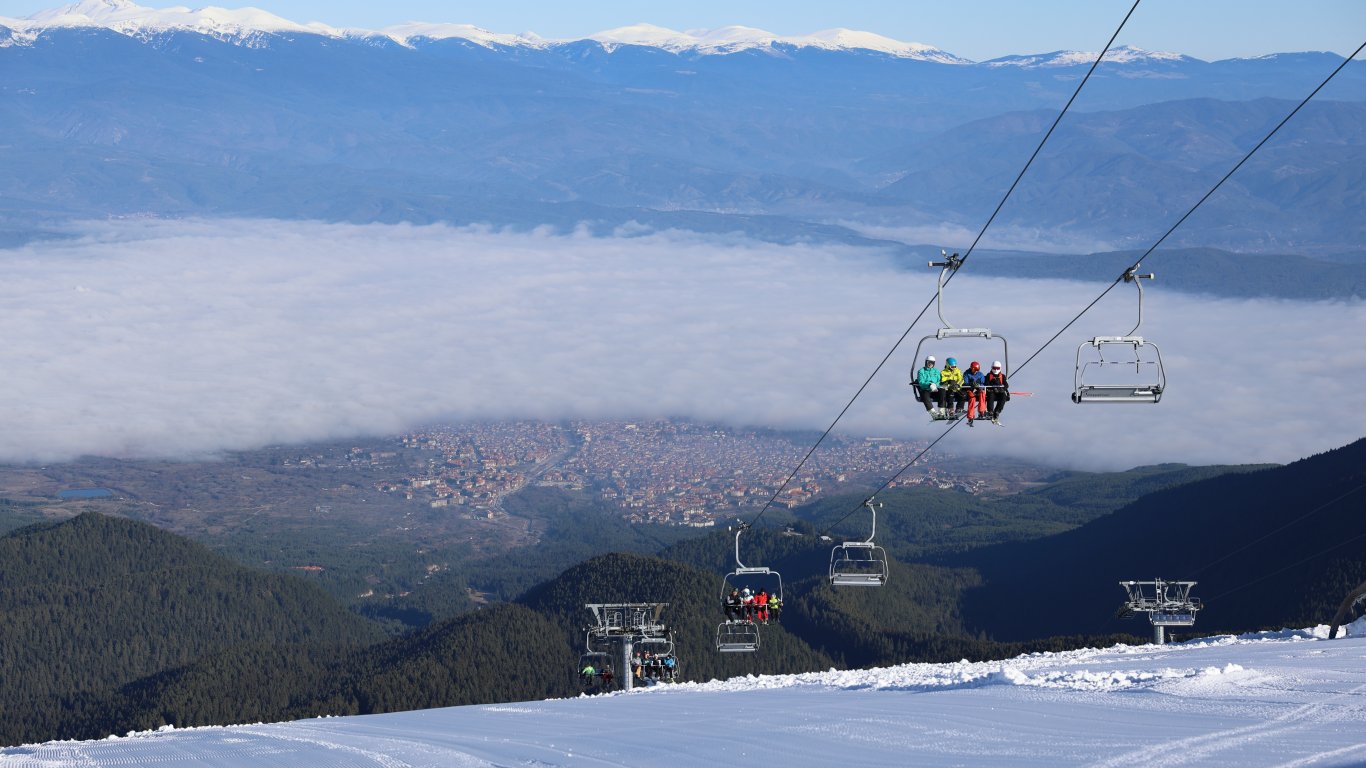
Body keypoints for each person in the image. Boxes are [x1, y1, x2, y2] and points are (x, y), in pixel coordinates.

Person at [984, 360, 1009, 425]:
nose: (995, 370)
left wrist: (1002, 389)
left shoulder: (1002, 376)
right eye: (994, 368)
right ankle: (990, 411)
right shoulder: (989, 375)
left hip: (999, 392)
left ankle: (997, 411)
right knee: (990, 396)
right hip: (991, 391)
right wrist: (992, 385)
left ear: (1000, 368)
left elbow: (1006, 385)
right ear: (991, 368)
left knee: (1003, 397)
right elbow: (986, 384)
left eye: (997, 368)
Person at [962, 361, 987, 425]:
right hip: (970, 390)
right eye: (975, 369)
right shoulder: (967, 374)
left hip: (978, 390)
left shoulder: (980, 374)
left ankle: (982, 412)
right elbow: (965, 383)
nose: (976, 371)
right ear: (972, 368)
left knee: (982, 393)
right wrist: (971, 384)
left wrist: (979, 386)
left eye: (977, 370)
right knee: (972, 398)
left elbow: (983, 383)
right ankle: (971, 416)